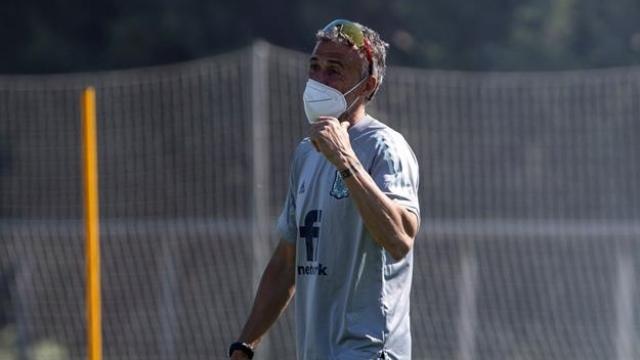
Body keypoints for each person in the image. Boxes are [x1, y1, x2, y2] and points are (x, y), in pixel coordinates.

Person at [229, 19, 420, 360]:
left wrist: (345, 160)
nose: (319, 80)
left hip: (370, 352)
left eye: (335, 71)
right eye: (314, 67)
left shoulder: (385, 147)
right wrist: (245, 345)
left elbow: (400, 239)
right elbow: (287, 262)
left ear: (367, 84)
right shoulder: (306, 152)